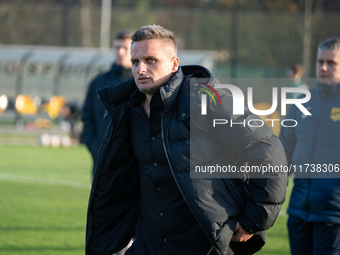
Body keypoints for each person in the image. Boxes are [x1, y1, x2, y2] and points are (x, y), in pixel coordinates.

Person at [86, 25, 287, 255]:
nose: (140, 69)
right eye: (135, 62)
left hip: (204, 244)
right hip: (148, 243)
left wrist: (254, 219)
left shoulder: (206, 98)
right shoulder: (125, 109)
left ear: (174, 64)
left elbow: (267, 149)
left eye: (151, 60)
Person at [280, 37, 340, 255]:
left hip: (333, 217)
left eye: (331, 63)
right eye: (320, 61)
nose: (323, 67)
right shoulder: (302, 102)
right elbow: (282, 153)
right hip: (298, 212)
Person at [80, 29, 133, 175]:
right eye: (117, 47)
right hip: (101, 161)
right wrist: (95, 147)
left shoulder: (141, 83)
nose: (120, 52)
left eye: (125, 48)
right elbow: (87, 116)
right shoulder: (98, 82)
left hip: (133, 164)